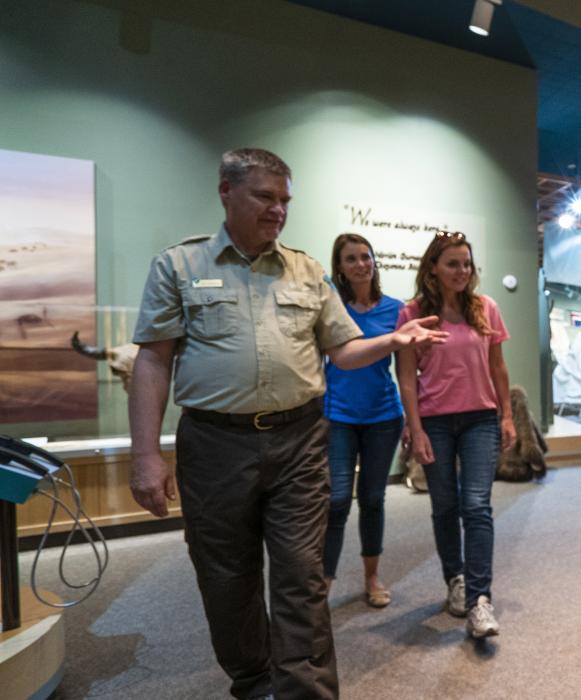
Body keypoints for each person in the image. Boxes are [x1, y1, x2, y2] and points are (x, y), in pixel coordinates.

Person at [128, 148, 446, 700]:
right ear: (226, 192)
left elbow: (343, 351)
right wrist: (145, 455)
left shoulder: (305, 270)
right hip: (214, 443)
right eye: (265, 197)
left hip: (299, 440)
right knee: (227, 577)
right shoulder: (179, 266)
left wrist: (394, 340)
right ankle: (253, 683)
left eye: (285, 200)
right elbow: (153, 361)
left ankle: (307, 693)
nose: (278, 210)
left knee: (302, 577)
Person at [397, 231, 516, 639]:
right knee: (445, 506)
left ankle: (480, 599)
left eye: (467, 264)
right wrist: (414, 427)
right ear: (433, 267)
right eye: (453, 263)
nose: (462, 271)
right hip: (434, 421)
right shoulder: (413, 313)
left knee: (477, 505)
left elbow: (498, 366)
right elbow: (406, 377)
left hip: (480, 418)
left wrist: (507, 416)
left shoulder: (486, 308)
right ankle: (456, 580)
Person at [322, 233, 404, 607]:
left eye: (365, 256)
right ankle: (323, 582)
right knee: (337, 500)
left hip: (383, 417)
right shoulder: (331, 307)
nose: (360, 264)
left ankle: (372, 577)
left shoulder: (395, 310)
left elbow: (405, 371)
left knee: (372, 498)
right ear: (339, 266)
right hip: (338, 415)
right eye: (351, 258)